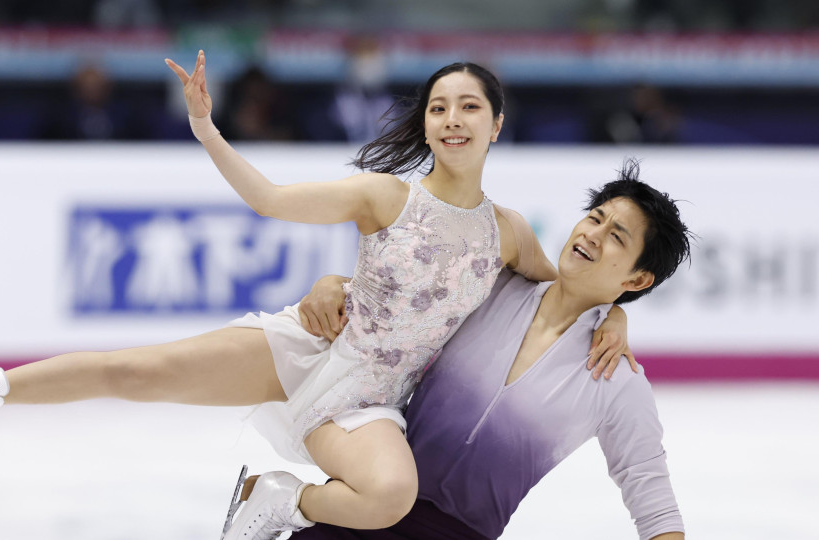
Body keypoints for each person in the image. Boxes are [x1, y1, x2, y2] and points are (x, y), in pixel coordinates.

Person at [0, 53, 631, 539]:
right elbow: (270, 199)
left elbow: (566, 286)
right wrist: (206, 129)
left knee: (388, 497)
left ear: (497, 124)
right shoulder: (384, 195)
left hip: (370, 399)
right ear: (426, 124)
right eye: (439, 107)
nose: (452, 120)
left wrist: (618, 312)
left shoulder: (507, 232)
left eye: (468, 107)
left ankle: (277, 497)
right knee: (135, 370)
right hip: (311, 346)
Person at [288, 161, 691, 540]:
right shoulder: (487, 286)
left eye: (617, 236)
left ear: (638, 279)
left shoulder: (617, 380)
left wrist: (615, 316)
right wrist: (332, 285)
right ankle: (283, 500)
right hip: (361, 509)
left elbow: (654, 502)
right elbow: (390, 298)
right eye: (595, 218)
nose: (593, 235)